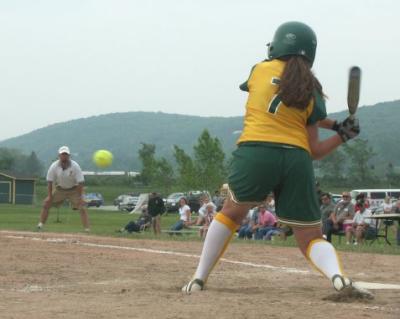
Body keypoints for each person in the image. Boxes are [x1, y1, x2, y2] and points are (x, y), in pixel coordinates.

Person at [182, 21, 370, 298]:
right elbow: (313, 146)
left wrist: (336, 126)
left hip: (256, 151)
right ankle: (337, 276)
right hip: (296, 157)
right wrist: (342, 134)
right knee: (310, 236)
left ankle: (198, 279)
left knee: (231, 213)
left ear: (278, 45)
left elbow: (277, 103)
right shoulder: (312, 89)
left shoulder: (259, 69)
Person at [37, 146, 90, 232]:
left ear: (69, 156)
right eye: (62, 154)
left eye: (66, 154)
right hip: (60, 189)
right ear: (59, 155)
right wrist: (50, 196)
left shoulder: (75, 166)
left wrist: (81, 197)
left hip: (74, 189)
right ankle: (40, 225)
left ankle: (87, 229)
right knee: (46, 204)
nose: (64, 156)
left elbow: (80, 183)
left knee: (82, 207)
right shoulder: (54, 166)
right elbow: (50, 182)